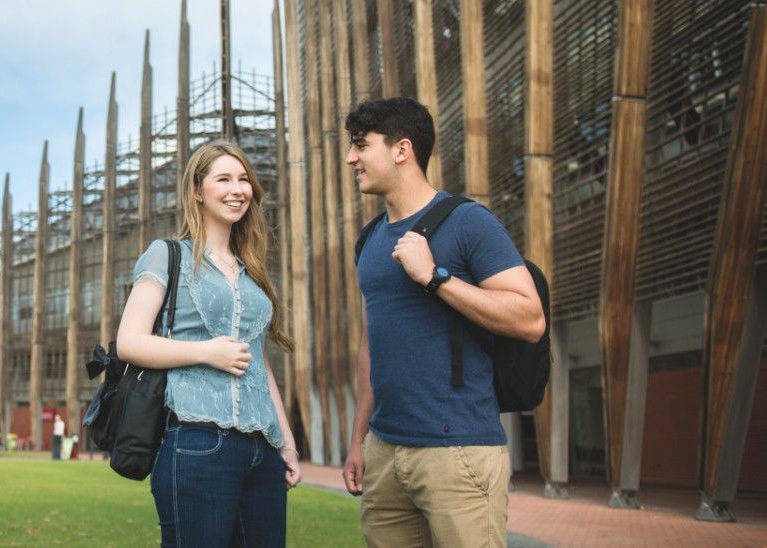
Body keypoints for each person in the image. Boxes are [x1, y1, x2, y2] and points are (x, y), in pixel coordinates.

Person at [339, 98, 545, 547]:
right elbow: (371, 345)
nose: (351, 158)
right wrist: (359, 440)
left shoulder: (468, 222)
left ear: (401, 150)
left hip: (459, 451)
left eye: (361, 146)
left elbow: (530, 318)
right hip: (385, 452)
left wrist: (434, 278)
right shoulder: (370, 239)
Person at [117, 140, 301, 547]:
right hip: (197, 443)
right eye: (224, 179)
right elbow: (128, 342)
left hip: (262, 451)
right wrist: (205, 351)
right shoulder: (168, 255)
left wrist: (286, 443)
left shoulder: (253, 272)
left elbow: (258, 364)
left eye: (243, 179)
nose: (238, 189)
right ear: (198, 190)